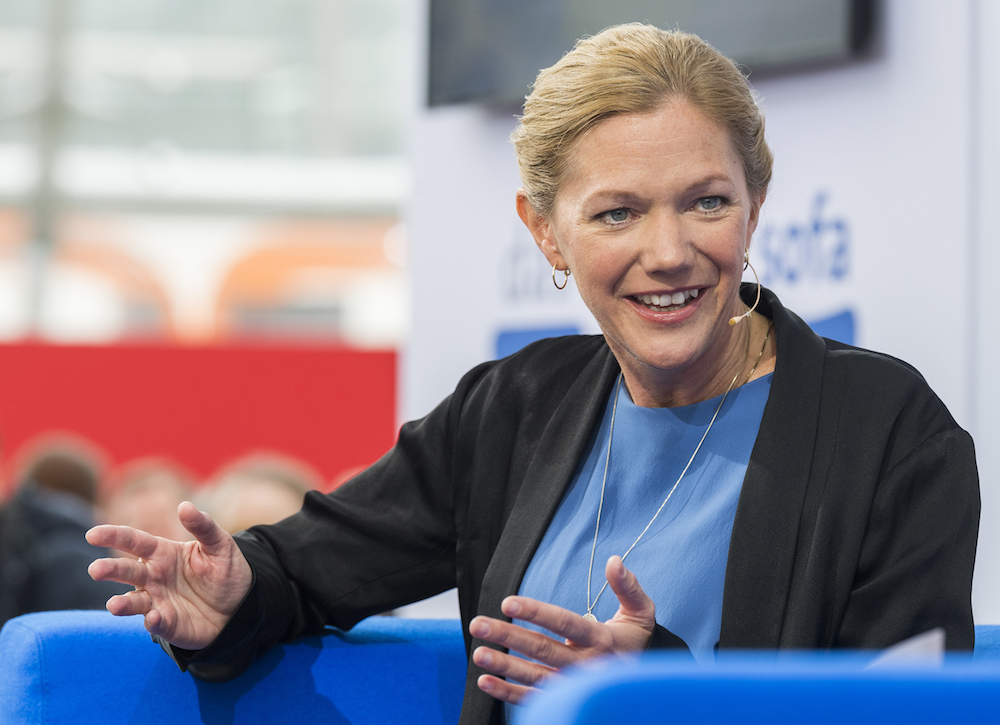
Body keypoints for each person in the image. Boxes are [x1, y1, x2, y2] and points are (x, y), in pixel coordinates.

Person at [87, 23, 979, 725]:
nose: (669, 252)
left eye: (707, 201)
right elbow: (314, 564)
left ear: (755, 204)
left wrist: (655, 697)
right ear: (545, 232)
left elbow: (899, 710)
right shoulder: (513, 407)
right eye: (617, 213)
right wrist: (234, 591)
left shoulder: (889, 430)